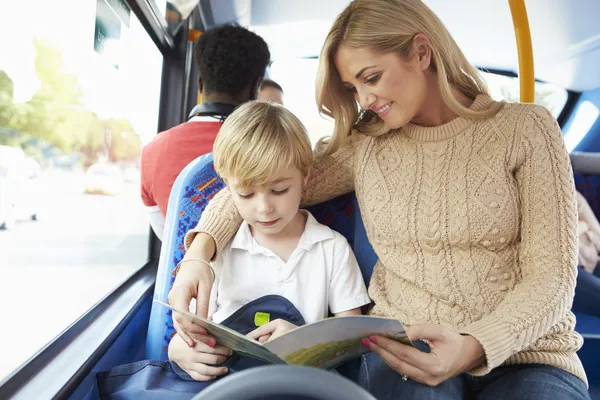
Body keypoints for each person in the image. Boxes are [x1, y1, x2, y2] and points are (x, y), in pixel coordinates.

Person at [169, 0, 590, 398]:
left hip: (527, 355)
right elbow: (257, 186)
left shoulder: (527, 129)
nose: (364, 100)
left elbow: (551, 280)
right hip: (405, 349)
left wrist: (474, 346)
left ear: (421, 52)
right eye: (353, 88)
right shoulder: (365, 143)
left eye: (371, 78)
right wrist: (198, 255)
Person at [168, 101, 370, 382]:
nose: (264, 208)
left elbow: (352, 339)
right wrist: (179, 349)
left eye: (279, 190)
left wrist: (304, 345)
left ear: (305, 178)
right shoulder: (219, 251)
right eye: (246, 195)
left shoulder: (331, 249)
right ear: (228, 187)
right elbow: (190, 329)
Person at [140, 24, 270, 240]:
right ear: (254, 88)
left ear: (200, 84)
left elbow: (169, 239)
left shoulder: (153, 151)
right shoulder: (272, 147)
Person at [572, 190, 600, 316]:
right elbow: (558, 238)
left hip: (593, 259)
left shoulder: (573, 195)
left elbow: (596, 231)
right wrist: (583, 226)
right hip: (567, 267)